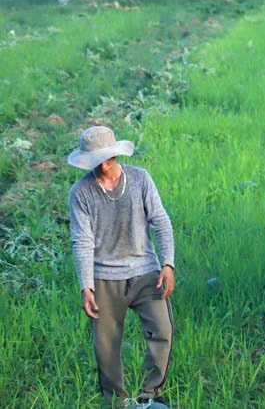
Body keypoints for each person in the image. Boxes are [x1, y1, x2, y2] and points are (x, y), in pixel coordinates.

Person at [67, 126, 175, 407]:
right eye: (96, 161)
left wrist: (168, 264)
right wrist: (86, 286)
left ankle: (150, 395)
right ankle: (116, 402)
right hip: (104, 277)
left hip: (145, 271)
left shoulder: (140, 179)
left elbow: (161, 221)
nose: (103, 166)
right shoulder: (80, 192)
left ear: (115, 154)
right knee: (105, 346)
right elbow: (82, 241)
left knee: (162, 331)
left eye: (107, 159)